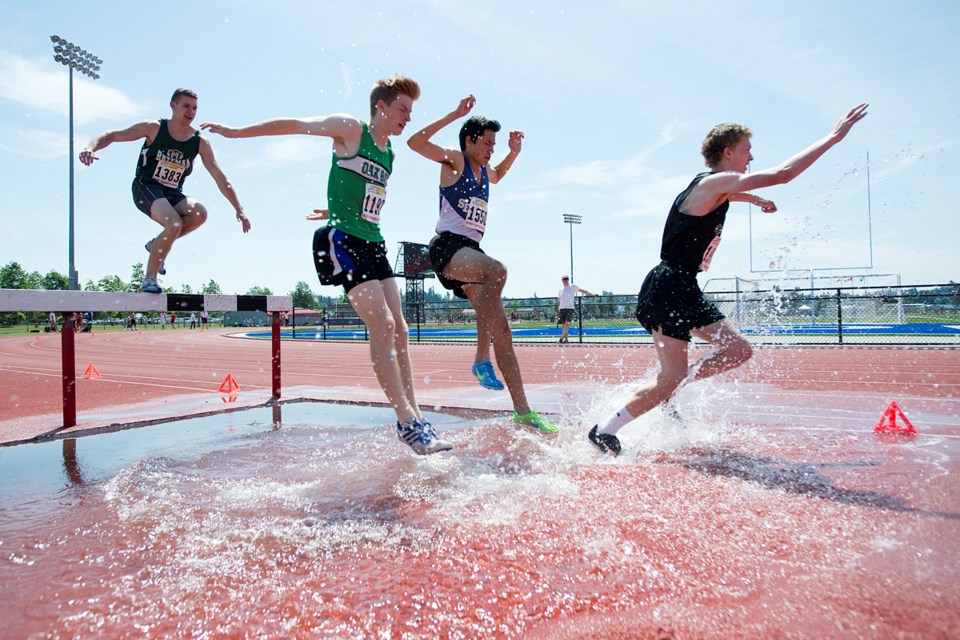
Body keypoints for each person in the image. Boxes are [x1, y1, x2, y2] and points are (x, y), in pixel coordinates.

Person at [588, 104, 869, 457]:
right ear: (728, 152)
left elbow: (729, 194)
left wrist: (754, 199)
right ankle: (604, 430)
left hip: (684, 286)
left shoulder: (713, 188)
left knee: (737, 351)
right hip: (668, 287)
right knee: (669, 377)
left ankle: (671, 385)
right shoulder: (713, 182)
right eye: (747, 150)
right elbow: (783, 173)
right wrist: (834, 136)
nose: (752, 157)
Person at [202, 76, 452, 456]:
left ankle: (417, 416)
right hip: (342, 241)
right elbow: (294, 124)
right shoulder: (352, 129)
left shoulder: (389, 153)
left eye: (410, 112)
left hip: (374, 241)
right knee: (382, 324)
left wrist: (332, 203)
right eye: (402, 109)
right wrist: (237, 133)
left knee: (400, 328)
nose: (407, 118)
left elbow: (366, 193)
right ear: (381, 106)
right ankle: (405, 421)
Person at [407, 95, 558, 435]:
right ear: (470, 140)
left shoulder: (485, 172)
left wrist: (514, 151)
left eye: (494, 144)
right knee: (497, 270)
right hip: (447, 249)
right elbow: (415, 142)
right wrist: (455, 114)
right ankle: (479, 358)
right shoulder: (454, 161)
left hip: (471, 252)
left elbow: (500, 174)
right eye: (487, 143)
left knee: (503, 332)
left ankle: (523, 411)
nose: (491, 149)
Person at [79, 88, 251, 294]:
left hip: (172, 193)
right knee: (174, 223)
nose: (191, 112)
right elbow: (113, 135)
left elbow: (219, 176)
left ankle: (155, 245)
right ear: (173, 106)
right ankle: (149, 279)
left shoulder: (200, 142)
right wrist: (91, 148)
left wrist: (239, 209)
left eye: (195, 108)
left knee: (199, 214)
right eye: (186, 106)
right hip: (146, 186)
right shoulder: (153, 128)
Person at [557, 275, 598, 344]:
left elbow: (582, 290)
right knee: (563, 325)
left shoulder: (572, 286)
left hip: (569, 308)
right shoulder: (560, 290)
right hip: (562, 308)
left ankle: (561, 338)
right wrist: (558, 311)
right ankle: (566, 340)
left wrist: (592, 294)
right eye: (564, 279)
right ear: (562, 280)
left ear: (568, 280)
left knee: (567, 324)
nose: (565, 280)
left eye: (567, 279)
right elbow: (559, 301)